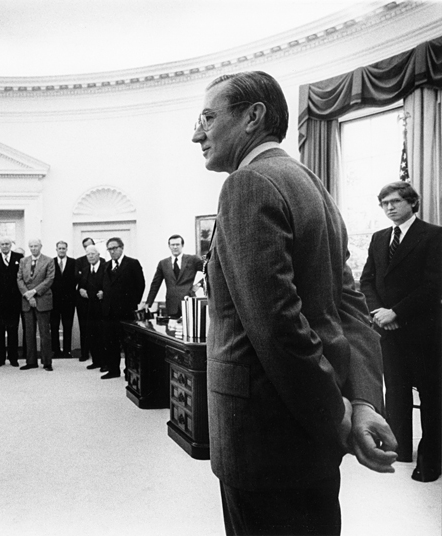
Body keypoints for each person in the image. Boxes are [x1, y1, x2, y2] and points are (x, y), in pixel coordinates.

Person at [191, 70, 398, 535]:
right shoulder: (310, 184)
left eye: (207, 117)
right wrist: (363, 401)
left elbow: (277, 327)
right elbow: (351, 306)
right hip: (308, 442)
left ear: (252, 117)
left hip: (263, 440)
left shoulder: (247, 185)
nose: (197, 133)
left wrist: (337, 412)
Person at [360, 181, 442, 483]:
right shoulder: (379, 238)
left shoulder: (433, 235)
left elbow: (434, 286)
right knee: (395, 392)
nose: (389, 207)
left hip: (423, 330)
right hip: (387, 330)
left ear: (411, 202)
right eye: (384, 203)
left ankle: (431, 460)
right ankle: (400, 449)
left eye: (395, 201)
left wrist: (397, 312)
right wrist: (378, 312)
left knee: (432, 397)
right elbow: (367, 280)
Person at [100, 237, 145, 379]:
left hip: (125, 311)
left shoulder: (132, 263)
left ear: (122, 248)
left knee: (127, 344)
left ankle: (129, 371)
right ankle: (113, 370)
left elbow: (140, 285)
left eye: (115, 248)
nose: (112, 251)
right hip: (109, 312)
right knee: (110, 342)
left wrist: (131, 303)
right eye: (110, 249)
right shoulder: (106, 266)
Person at [17, 239, 55, 371]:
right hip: (27, 300)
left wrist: (34, 292)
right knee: (29, 332)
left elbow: (49, 279)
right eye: (31, 246)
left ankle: (47, 362)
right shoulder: (23, 261)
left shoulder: (49, 261)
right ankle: (31, 361)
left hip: (42, 299)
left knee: (44, 332)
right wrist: (27, 294)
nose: (33, 248)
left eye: (36, 246)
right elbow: (19, 279)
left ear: (41, 246)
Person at [144, 234, 203, 318]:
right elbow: (155, 284)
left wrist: (199, 285)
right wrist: (148, 303)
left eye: (177, 244)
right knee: (172, 329)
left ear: (182, 245)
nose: (175, 247)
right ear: (169, 246)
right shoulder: (163, 263)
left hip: (189, 303)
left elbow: (208, 272)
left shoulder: (193, 259)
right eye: (173, 245)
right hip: (172, 305)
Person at [0, 237, 23, 367]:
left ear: (11, 245)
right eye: (2, 244)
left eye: (7, 244)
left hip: (15, 300)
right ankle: (0, 359)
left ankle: (13, 358)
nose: (5, 246)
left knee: (13, 330)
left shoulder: (19, 258)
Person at [79, 245, 108, 371]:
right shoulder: (85, 270)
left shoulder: (105, 268)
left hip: (103, 307)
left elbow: (110, 285)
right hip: (89, 307)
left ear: (98, 255)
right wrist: (80, 289)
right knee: (92, 335)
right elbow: (81, 285)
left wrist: (104, 293)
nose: (90, 256)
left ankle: (105, 363)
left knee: (103, 335)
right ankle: (96, 361)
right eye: (88, 254)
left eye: (92, 254)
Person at [51, 240, 77, 359]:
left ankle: (67, 350)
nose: (61, 250)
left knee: (67, 325)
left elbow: (77, 279)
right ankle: (56, 350)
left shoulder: (73, 262)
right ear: (56, 249)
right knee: (54, 326)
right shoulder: (50, 262)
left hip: (69, 300)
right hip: (54, 300)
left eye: (63, 248)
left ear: (66, 249)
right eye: (59, 248)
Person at [74, 237, 97, 362]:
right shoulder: (79, 261)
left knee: (97, 327)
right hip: (82, 299)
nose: (88, 249)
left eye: (90, 245)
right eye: (85, 247)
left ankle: (97, 354)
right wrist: (82, 289)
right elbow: (77, 277)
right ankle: (84, 353)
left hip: (96, 300)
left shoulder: (103, 261)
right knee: (84, 327)